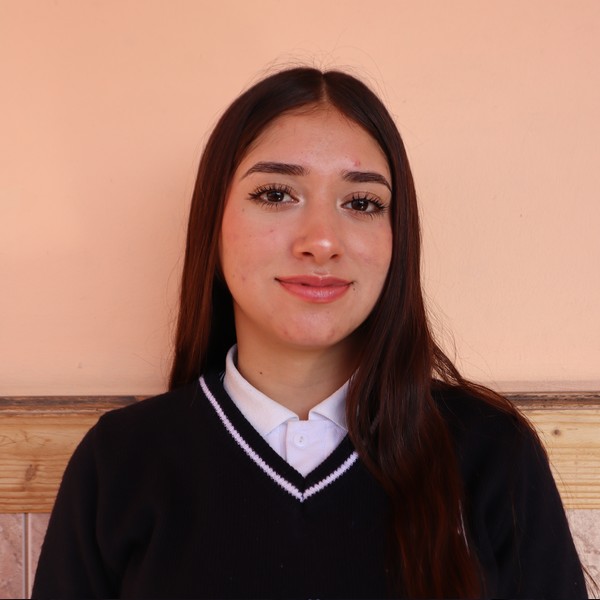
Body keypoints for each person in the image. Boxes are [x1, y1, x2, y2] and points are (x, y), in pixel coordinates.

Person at [32, 67, 587, 599]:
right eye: (276, 194)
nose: (321, 241)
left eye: (362, 203)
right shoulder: (119, 462)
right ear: (213, 221)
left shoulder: (493, 454)